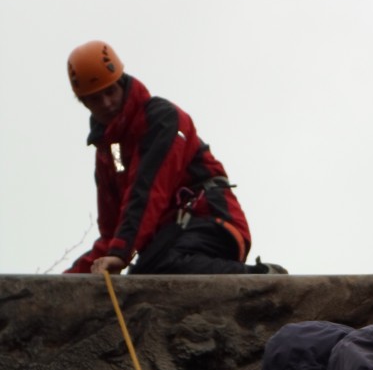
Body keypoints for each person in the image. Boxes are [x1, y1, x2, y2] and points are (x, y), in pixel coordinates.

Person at [64, 40, 286, 276]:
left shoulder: (161, 120)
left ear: (123, 84)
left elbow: (148, 190)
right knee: (142, 277)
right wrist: (69, 282)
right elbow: (113, 230)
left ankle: (260, 278)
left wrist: (120, 253)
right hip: (173, 238)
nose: (106, 103)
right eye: (96, 98)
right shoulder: (111, 151)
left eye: (110, 92)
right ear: (84, 103)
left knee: (158, 268)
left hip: (212, 221)